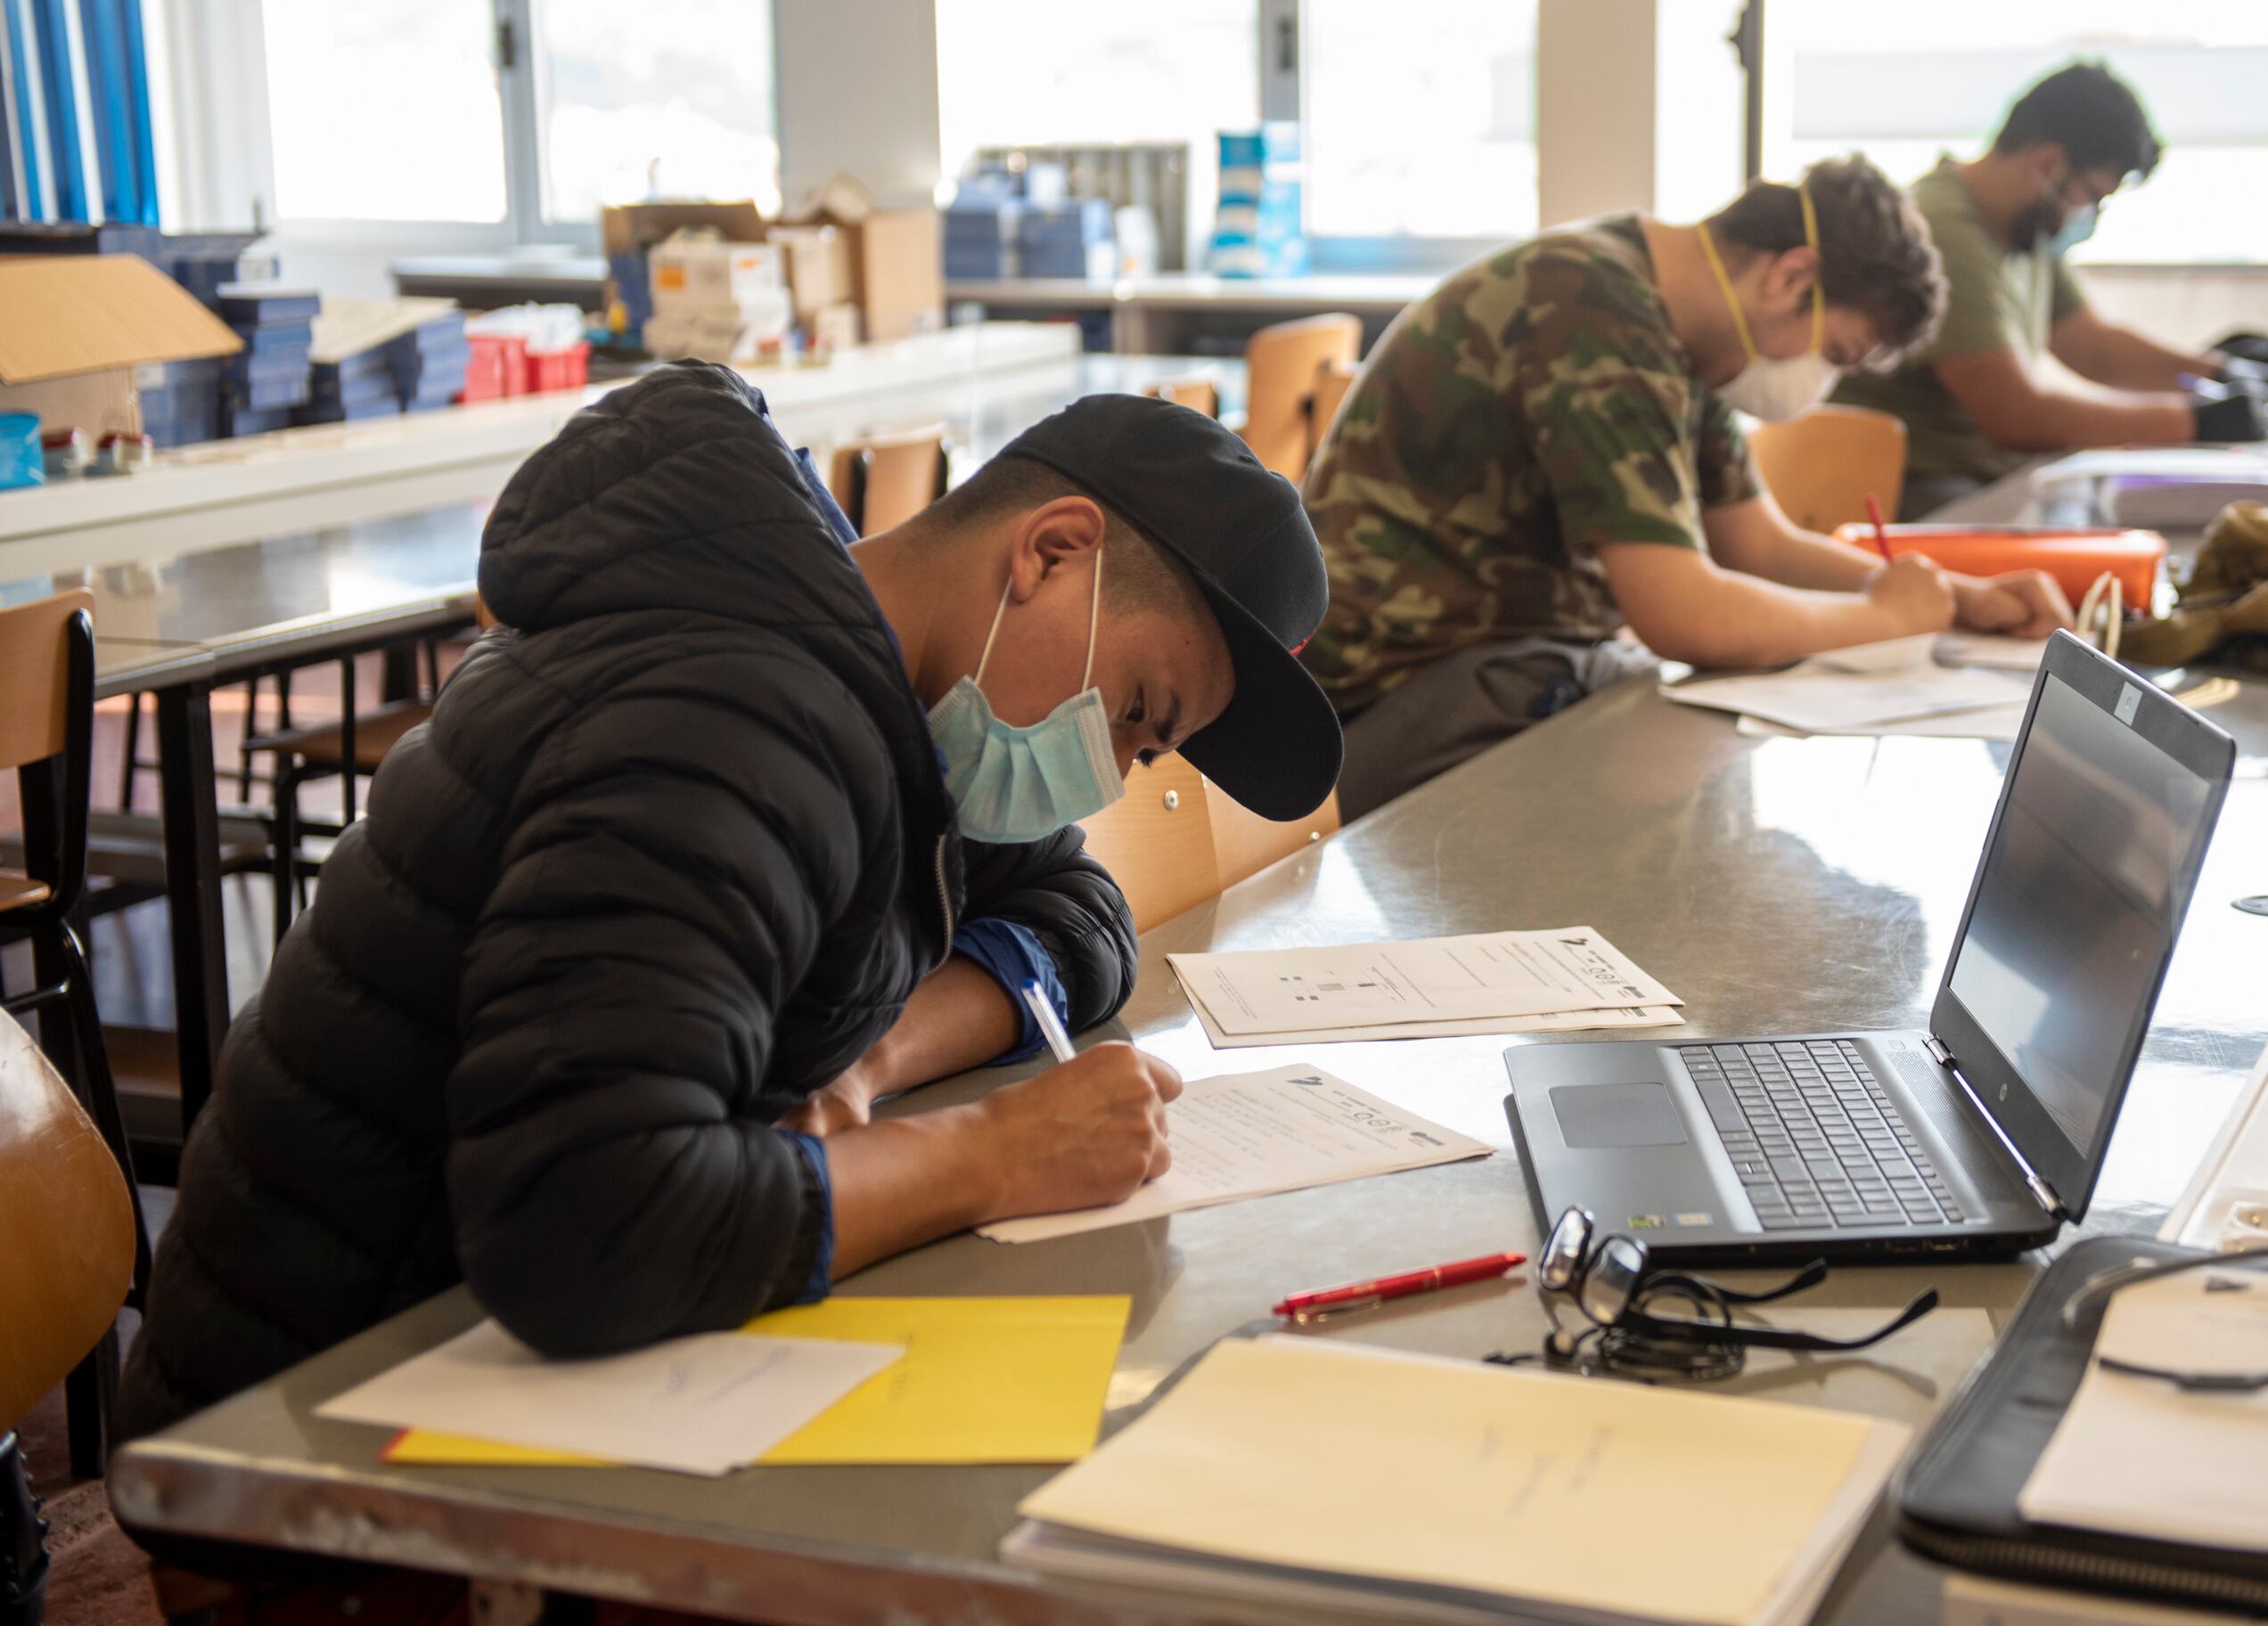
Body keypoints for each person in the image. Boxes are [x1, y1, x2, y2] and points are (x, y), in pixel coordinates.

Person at [115, 365, 1342, 1448]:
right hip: (314, 1423)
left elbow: (1081, 913)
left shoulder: (887, 686)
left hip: (468, 1355)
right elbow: (582, 1225)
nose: (1118, 764)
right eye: (1136, 709)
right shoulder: (735, 720)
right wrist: (991, 1154)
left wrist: (878, 1052)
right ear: (1049, 552)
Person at [1303, 158, 2074, 819]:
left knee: (1697, 754)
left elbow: (1758, 542)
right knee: (1684, 776)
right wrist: (1879, 619)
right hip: (1392, 702)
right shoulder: (1593, 309)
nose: (1823, 382)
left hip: (1495, 669)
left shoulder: (1677, 326)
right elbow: (1683, 613)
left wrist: (1950, 596)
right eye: (1836, 352)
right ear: (1792, 275)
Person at [1830, 61, 2268, 515]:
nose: (2089, 215)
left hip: (1983, 474)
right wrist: (2192, 420)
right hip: (1915, 490)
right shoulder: (1944, 231)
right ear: (2047, 164)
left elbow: (2093, 347)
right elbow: (2016, 414)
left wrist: (2218, 372)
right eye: (2091, 196)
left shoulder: (2022, 232)